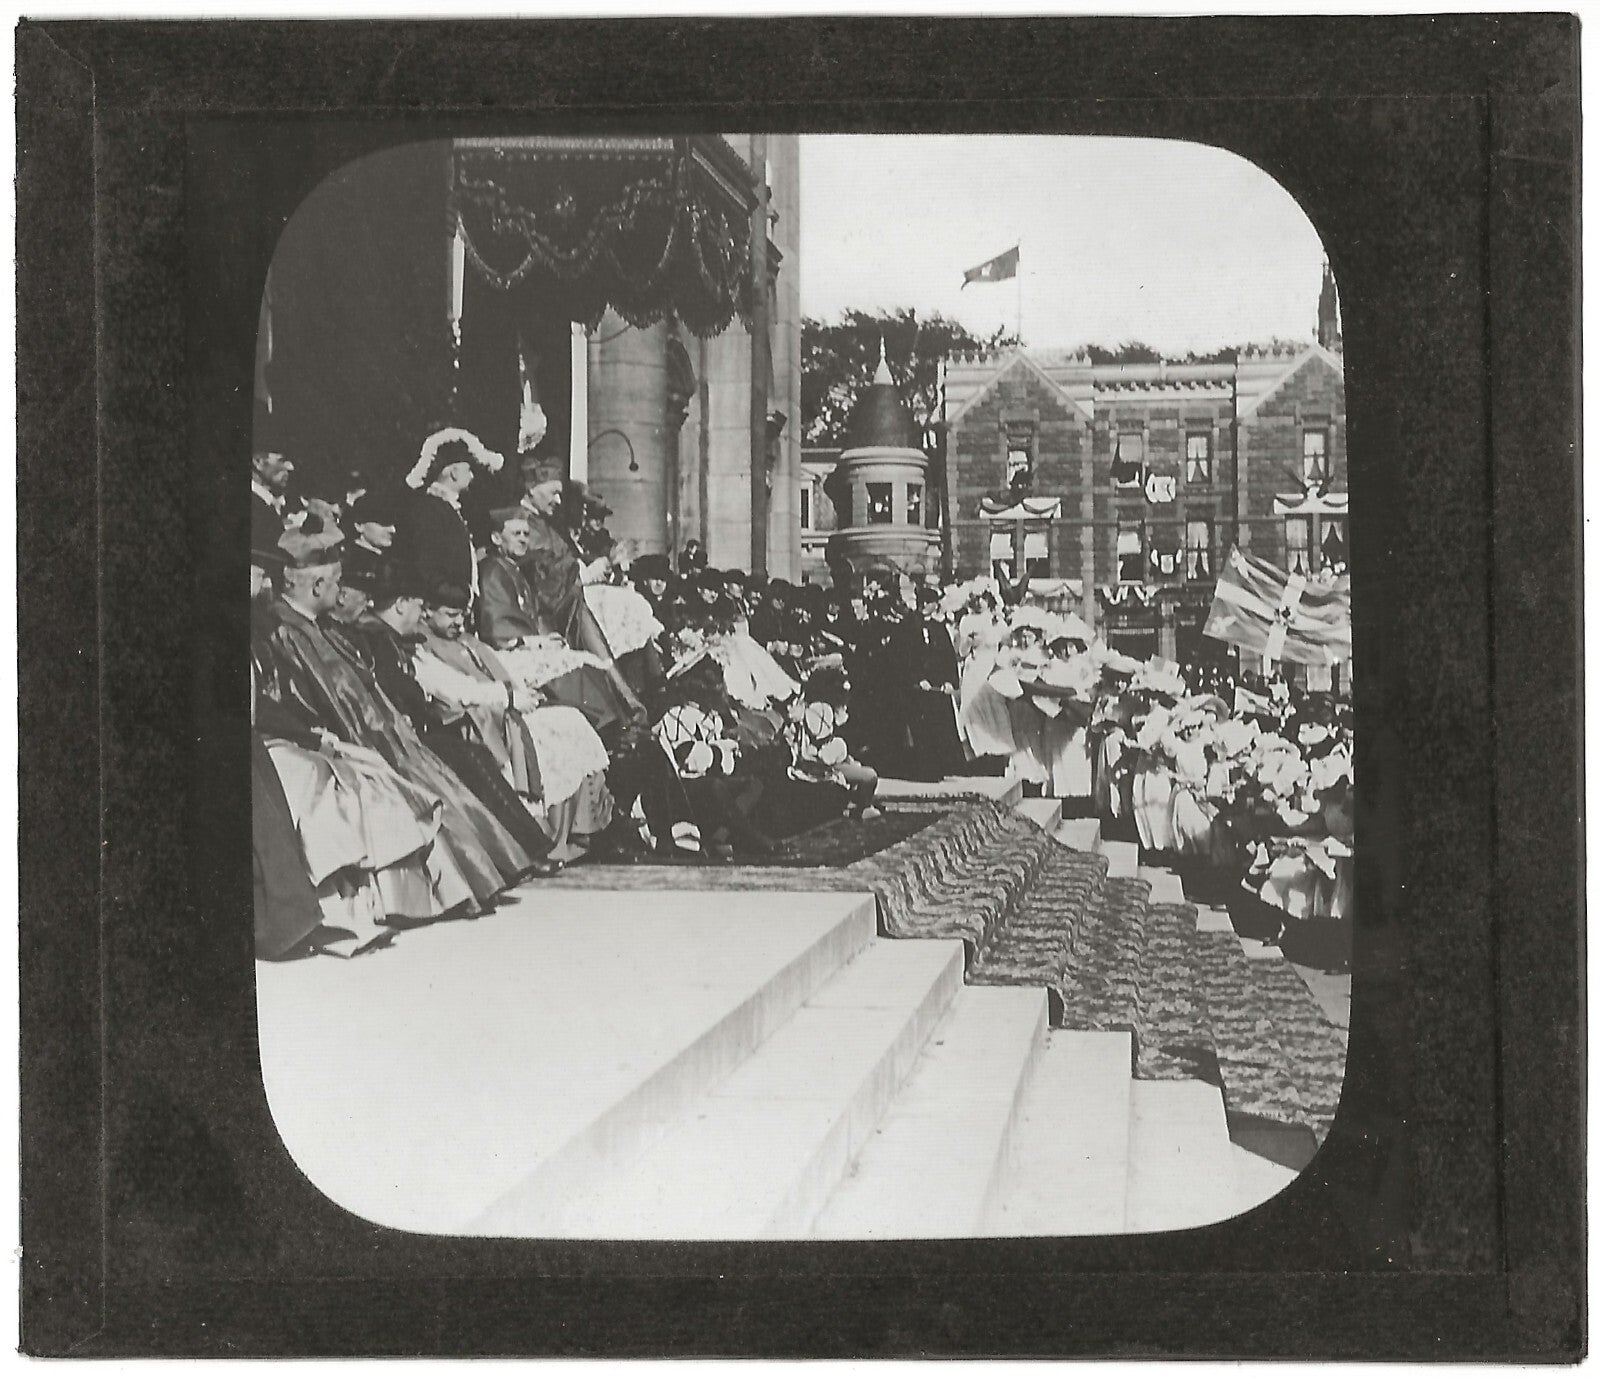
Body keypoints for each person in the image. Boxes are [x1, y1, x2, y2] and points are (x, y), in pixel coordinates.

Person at [261, 527, 540, 904]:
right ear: (317, 586)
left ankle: (488, 870)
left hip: (381, 731)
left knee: (433, 774)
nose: (341, 592)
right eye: (337, 582)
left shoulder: (321, 629)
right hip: (349, 738)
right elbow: (295, 698)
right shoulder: (285, 631)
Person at [351, 563, 565, 876]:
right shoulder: (376, 640)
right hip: (395, 739)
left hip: (411, 732)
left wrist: (504, 696)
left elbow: (447, 684)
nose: (422, 615)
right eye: (420, 606)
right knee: (471, 759)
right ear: (400, 604)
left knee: (474, 756)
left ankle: (524, 849)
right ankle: (525, 850)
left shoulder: (397, 640)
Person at [477, 504, 641, 742]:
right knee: (571, 672)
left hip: (527, 644)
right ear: (496, 538)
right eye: (516, 534)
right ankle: (608, 733)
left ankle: (613, 729)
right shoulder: (493, 572)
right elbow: (498, 627)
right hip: (507, 653)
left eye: (525, 534)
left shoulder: (514, 569)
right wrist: (537, 641)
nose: (523, 539)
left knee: (588, 664)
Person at [396, 426, 505, 597]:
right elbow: (429, 565)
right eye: (469, 470)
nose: (472, 476)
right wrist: (453, 596)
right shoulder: (431, 509)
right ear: (454, 472)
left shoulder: (447, 508)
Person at [883, 583, 966, 781]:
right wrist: (916, 679)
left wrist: (949, 682)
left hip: (938, 689)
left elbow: (948, 657)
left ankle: (942, 768)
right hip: (917, 691)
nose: (934, 606)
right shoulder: (907, 626)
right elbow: (902, 658)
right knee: (922, 730)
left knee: (942, 727)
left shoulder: (939, 628)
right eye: (931, 602)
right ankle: (925, 771)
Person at [341, 488, 403, 589]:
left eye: (393, 523)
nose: (392, 530)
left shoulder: (394, 565)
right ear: (359, 525)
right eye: (383, 523)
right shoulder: (345, 560)